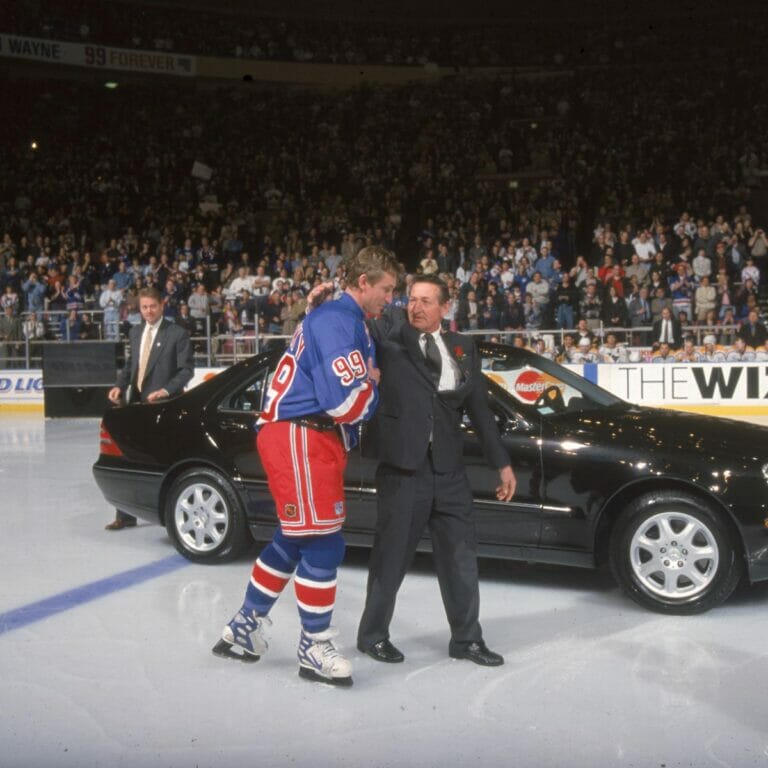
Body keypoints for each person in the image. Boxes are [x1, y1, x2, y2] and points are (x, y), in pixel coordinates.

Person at [212, 246, 400, 688]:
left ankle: (244, 626)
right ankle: (314, 647)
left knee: (294, 537)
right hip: (302, 433)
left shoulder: (338, 315)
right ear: (363, 283)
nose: (390, 299)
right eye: (387, 289)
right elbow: (345, 402)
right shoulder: (337, 320)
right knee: (324, 543)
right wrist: (373, 385)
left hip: (301, 434)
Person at [356, 275, 516, 668]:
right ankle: (372, 635)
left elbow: (478, 408)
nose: (416, 307)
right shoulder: (391, 333)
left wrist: (502, 464)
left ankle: (467, 640)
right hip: (402, 469)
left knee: (461, 558)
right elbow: (357, 316)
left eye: (426, 301)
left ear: (445, 307)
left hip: (449, 471)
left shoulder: (463, 347)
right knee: (391, 557)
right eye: (412, 299)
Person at [105, 286, 194, 530]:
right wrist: (119, 385)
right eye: (144, 307)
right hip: (136, 406)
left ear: (162, 305)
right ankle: (125, 515)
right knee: (128, 457)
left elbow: (186, 370)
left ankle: (171, 514)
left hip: (164, 407)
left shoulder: (177, 333)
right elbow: (130, 366)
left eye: (152, 306)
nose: (148, 311)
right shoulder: (135, 332)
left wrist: (165, 390)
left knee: (162, 462)